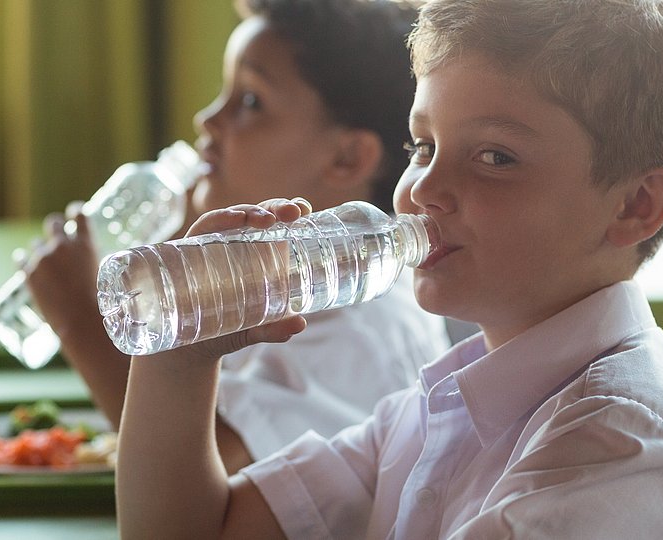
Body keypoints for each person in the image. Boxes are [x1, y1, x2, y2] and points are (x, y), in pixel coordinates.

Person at [115, 0, 663, 538]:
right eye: (424, 146)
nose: (423, 189)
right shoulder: (436, 409)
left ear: (635, 206)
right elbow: (205, 529)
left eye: (495, 157)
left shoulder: (623, 448)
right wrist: (179, 356)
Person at [24, 0, 449, 474]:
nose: (207, 120)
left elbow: (212, 481)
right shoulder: (273, 276)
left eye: (250, 101)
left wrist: (81, 323)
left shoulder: (359, 330)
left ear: (347, 159)